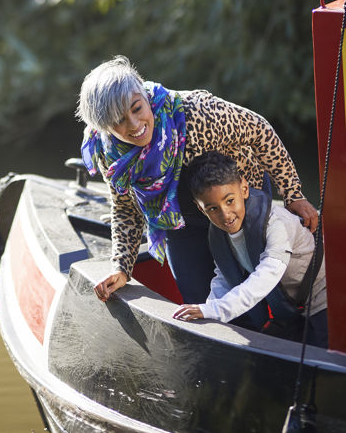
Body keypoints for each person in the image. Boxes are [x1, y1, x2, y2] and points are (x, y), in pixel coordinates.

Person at [77, 55, 318, 305]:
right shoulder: (105, 151)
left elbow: (260, 131)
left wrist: (293, 193)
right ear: (103, 127)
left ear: (145, 98)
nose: (135, 124)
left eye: (137, 109)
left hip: (238, 200)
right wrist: (121, 266)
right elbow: (126, 206)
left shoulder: (196, 112)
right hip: (179, 220)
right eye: (119, 121)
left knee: (261, 284)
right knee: (197, 296)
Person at [172, 151, 327, 347]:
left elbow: (267, 275)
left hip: (324, 300)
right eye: (212, 208)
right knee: (265, 364)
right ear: (200, 208)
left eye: (229, 201)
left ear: (244, 188)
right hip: (292, 310)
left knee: (323, 364)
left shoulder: (277, 223)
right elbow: (223, 276)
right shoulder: (219, 233)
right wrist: (208, 309)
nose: (225, 214)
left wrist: (217, 309)